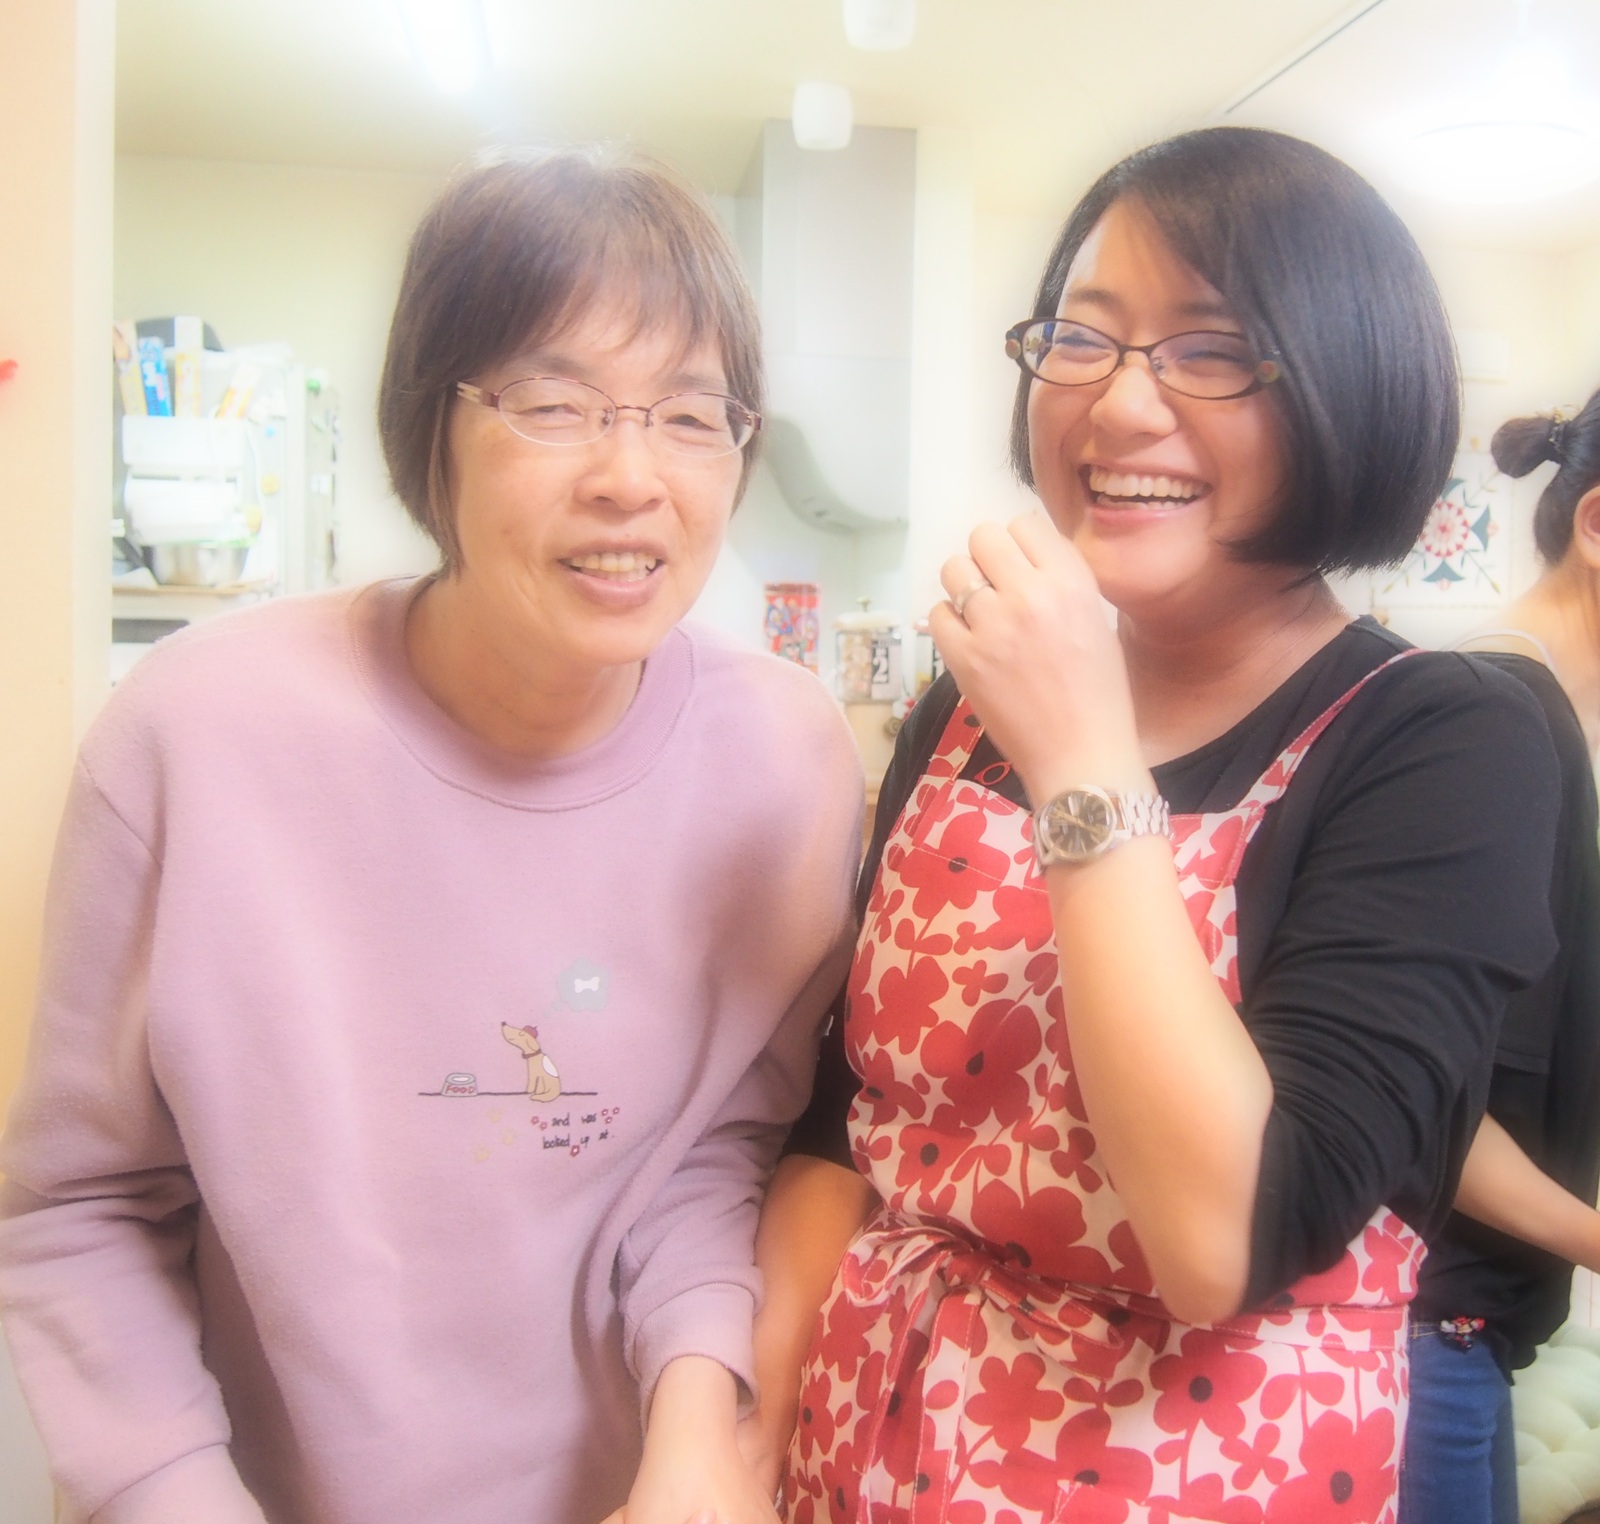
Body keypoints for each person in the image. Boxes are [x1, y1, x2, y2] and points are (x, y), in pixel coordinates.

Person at [0, 150, 862, 1524]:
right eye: (553, 405)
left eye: (690, 416)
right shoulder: (198, 735)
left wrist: (698, 1430)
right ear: (429, 427)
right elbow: (81, 1208)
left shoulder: (786, 759)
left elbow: (714, 1153)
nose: (630, 476)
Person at [737, 127, 1567, 1522]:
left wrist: (1079, 755)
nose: (1119, 405)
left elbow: (1223, 1237)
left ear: (1350, 385)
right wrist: (740, 1446)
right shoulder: (962, 704)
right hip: (862, 1442)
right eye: (1083, 337)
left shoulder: (1446, 738)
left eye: (1211, 350)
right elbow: (849, 1125)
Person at [1402, 389, 1600, 1524]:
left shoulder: (1549, 721)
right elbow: (1433, 1107)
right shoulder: (1497, 725)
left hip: (1476, 1324)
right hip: (1423, 1323)